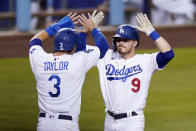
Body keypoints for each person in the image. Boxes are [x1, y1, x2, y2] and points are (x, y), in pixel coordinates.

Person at [29, 11, 108, 131]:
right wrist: (93, 29)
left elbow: (35, 41)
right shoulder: (78, 61)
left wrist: (56, 27)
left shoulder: (40, 59)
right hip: (66, 125)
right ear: (74, 47)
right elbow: (103, 49)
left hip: (43, 124)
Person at [96, 13, 174, 131]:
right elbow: (81, 50)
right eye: (118, 39)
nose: (120, 42)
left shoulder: (145, 61)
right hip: (109, 120)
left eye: (125, 40)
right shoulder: (106, 57)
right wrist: (90, 29)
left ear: (135, 43)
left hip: (132, 122)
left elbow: (168, 54)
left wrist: (151, 32)